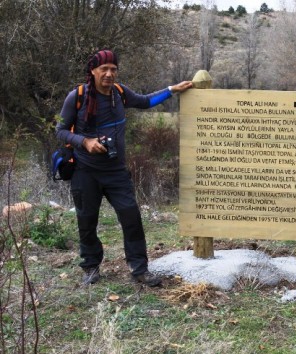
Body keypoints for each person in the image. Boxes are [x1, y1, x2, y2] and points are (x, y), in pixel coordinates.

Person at [56, 49, 193, 287]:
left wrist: (172, 90)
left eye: (113, 69)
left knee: (131, 218)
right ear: (93, 71)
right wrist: (85, 141)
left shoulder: (120, 93)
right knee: (87, 220)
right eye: (104, 69)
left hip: (116, 172)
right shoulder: (77, 96)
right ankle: (90, 266)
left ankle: (139, 268)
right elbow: (60, 130)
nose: (109, 74)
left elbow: (146, 101)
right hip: (85, 171)